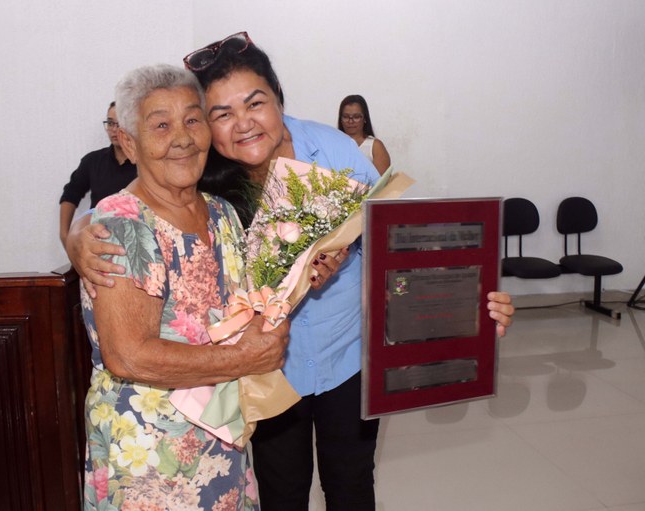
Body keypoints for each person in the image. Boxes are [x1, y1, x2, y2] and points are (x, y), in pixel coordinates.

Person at [67, 32, 514, 511]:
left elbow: (396, 246)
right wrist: (79, 236)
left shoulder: (332, 152)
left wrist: (465, 305)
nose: (243, 124)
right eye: (221, 114)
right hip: (267, 375)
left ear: (278, 97)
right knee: (282, 491)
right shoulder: (205, 173)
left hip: (343, 354)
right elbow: (131, 210)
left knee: (351, 484)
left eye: (255, 103)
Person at [79, 64, 291, 511]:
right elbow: (128, 355)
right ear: (129, 143)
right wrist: (244, 358)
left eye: (193, 119)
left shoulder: (221, 213)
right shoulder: (122, 224)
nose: (182, 138)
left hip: (221, 440)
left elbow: (245, 305)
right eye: (161, 125)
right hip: (149, 456)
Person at [58, 102, 138, 248]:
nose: (114, 129)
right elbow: (70, 194)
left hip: (136, 243)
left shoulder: (145, 164)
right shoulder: (93, 161)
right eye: (110, 123)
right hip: (97, 243)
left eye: (119, 124)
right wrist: (64, 236)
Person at [338, 94, 391, 175]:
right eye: (346, 117)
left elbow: (382, 180)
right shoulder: (333, 144)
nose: (351, 121)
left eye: (356, 117)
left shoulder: (375, 146)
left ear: (365, 118)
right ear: (340, 119)